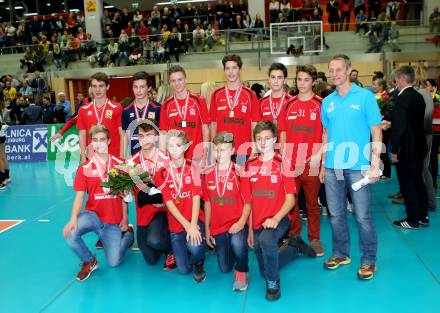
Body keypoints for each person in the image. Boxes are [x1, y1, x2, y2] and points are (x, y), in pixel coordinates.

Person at [320, 54, 382, 280]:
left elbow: (376, 131)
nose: (334, 73)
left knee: (363, 216)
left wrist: (375, 164)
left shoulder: (365, 97)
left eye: (339, 69)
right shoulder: (327, 102)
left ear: (348, 70)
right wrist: (322, 164)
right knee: (336, 215)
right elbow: (325, 134)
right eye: (331, 70)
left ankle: (368, 259)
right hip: (332, 167)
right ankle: (340, 254)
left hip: (358, 167)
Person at [242, 120, 313, 301]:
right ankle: (294, 248)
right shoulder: (249, 166)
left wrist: (276, 218)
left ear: (274, 140)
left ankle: (273, 284)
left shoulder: (283, 163)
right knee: (265, 269)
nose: (263, 143)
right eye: (259, 139)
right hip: (258, 222)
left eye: (267, 138)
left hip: (280, 218)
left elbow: (290, 200)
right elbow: (248, 201)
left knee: (267, 241)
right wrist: (250, 229)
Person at [63, 125, 134, 281]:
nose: (99, 143)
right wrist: (73, 218)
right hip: (93, 216)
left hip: (112, 221)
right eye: (95, 140)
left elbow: (126, 195)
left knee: (114, 262)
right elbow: (79, 197)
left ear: (108, 141)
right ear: (91, 143)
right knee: (70, 234)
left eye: (102, 139)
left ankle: (128, 236)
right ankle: (89, 260)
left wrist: (125, 218)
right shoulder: (84, 167)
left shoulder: (121, 164)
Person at [279, 64, 324, 257]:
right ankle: (294, 236)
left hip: (312, 164)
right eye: (299, 79)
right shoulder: (289, 104)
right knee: (292, 203)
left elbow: (326, 134)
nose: (302, 83)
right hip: (290, 163)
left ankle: (315, 239)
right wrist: (283, 157)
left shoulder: (321, 104)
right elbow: (282, 132)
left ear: (314, 82)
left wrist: (320, 157)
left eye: (306, 80)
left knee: (312, 204)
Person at [156, 130, 206, 282]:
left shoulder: (194, 167)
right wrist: (186, 226)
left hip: (195, 219)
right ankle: (188, 248)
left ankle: (198, 261)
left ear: (185, 147)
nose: (174, 149)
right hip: (176, 225)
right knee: (183, 270)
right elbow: (169, 204)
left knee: (195, 247)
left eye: (178, 145)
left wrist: (192, 224)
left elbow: (197, 198)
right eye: (170, 145)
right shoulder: (161, 173)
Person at [203, 132, 250, 291]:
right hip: (218, 226)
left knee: (238, 243)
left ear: (232, 151)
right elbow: (208, 203)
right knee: (224, 268)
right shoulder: (208, 173)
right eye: (216, 150)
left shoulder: (239, 172)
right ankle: (233, 249)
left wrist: (242, 222)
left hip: (237, 222)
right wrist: (208, 228)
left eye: (223, 150)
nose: (219, 154)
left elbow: (248, 203)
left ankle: (242, 271)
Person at [126, 121, 176, 271]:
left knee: (155, 240)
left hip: (163, 212)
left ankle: (173, 249)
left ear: (156, 137)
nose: (145, 139)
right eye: (141, 136)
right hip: (143, 216)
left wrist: (165, 202)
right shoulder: (130, 163)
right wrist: (125, 192)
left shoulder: (168, 159)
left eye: (149, 135)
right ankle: (163, 242)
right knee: (151, 259)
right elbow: (125, 191)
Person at [391, 66, 429, 229]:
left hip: (406, 148)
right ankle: (423, 215)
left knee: (407, 184)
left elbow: (400, 127)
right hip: (419, 145)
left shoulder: (402, 98)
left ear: (400, 78)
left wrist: (395, 150)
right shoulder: (418, 96)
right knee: (418, 182)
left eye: (396, 80)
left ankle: (412, 219)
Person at [210, 54, 259, 166]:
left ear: (240, 69)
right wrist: (214, 148)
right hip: (223, 151)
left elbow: (254, 124)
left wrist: (254, 149)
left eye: (234, 68)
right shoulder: (216, 95)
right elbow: (213, 123)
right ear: (224, 71)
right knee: (226, 182)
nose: (231, 72)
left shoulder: (250, 95)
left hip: (244, 151)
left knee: (243, 182)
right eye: (227, 68)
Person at [159, 66, 210, 165]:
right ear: (170, 82)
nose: (177, 83)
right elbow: (163, 133)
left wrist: (205, 155)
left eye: (180, 79)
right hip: (175, 156)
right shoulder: (166, 104)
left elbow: (205, 129)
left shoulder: (199, 100)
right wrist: (163, 156)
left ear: (186, 80)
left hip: (197, 156)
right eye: (173, 80)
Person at [77, 72, 124, 161]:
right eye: (94, 86)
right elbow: (82, 136)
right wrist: (83, 160)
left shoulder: (117, 107)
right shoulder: (83, 110)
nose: (97, 89)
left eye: (101, 86)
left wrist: (121, 158)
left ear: (107, 87)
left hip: (113, 157)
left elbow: (122, 135)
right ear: (91, 88)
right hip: (92, 158)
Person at [122, 71, 161, 156]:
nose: (138, 90)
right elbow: (125, 138)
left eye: (142, 87)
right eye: (135, 87)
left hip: (154, 156)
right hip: (134, 158)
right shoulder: (126, 110)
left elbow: (162, 135)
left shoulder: (158, 109)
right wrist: (123, 158)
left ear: (149, 88)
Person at [257, 63, 293, 140]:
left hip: (287, 148)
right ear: (269, 80)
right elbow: (257, 130)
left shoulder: (292, 102)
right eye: (273, 77)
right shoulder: (261, 103)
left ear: (285, 80)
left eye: (279, 77)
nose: (276, 81)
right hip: (267, 148)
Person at [0, 100, 11, 189]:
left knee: (0, 157)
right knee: (3, 156)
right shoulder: (1, 112)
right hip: (2, 135)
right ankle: (6, 177)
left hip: (0, 135)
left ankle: (2, 180)